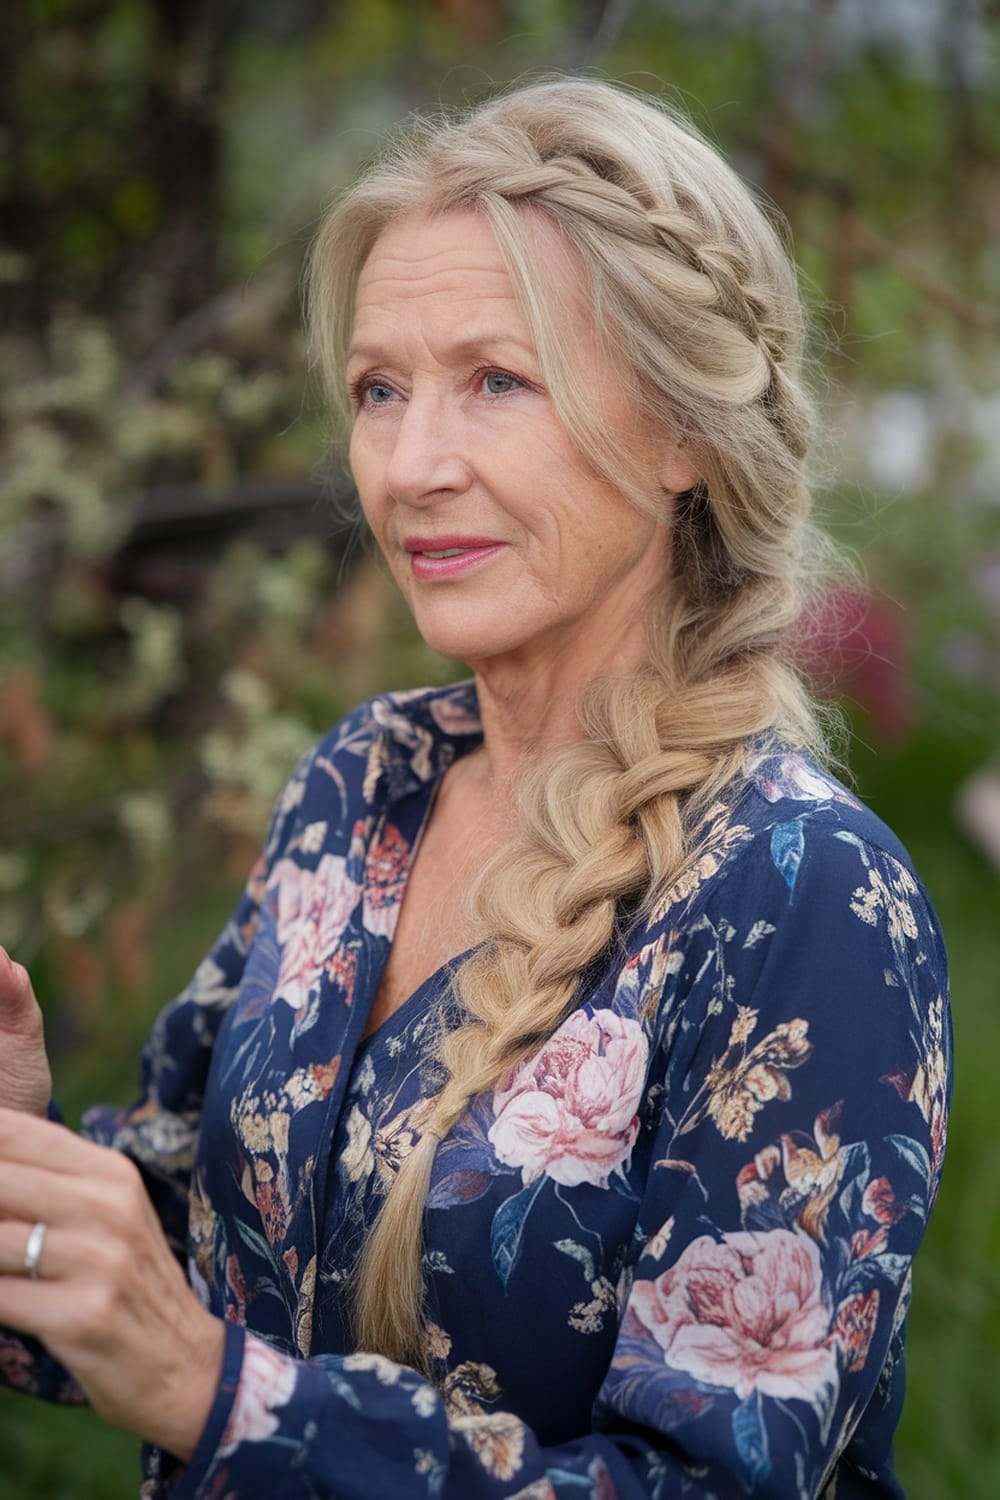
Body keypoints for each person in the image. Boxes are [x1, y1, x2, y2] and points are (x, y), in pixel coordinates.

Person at [0, 76, 950, 1499]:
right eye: (380, 389)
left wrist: (224, 1400)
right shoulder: (362, 785)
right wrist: (19, 1173)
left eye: (495, 380)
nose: (410, 465)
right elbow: (205, 1239)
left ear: (684, 433)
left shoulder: (799, 894)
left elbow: (704, 1481)